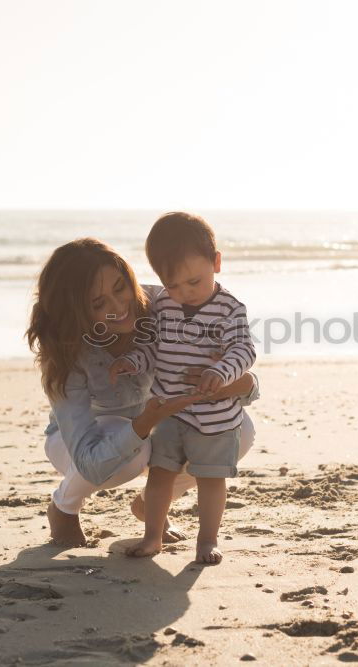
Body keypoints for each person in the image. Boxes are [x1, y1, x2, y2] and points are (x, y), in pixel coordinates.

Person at [25, 237, 260, 547]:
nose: (119, 307)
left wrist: (238, 384)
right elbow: (89, 461)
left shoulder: (167, 302)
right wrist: (144, 423)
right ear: (76, 312)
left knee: (239, 430)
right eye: (98, 304)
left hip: (160, 425)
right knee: (133, 448)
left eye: (120, 288)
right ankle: (64, 507)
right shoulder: (68, 351)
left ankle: (151, 503)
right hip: (81, 442)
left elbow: (242, 367)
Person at [110, 212, 255, 564]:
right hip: (170, 409)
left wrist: (221, 372)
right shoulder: (163, 304)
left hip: (216, 415)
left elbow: (244, 350)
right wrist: (133, 362)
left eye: (194, 281)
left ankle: (207, 540)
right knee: (161, 474)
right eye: (173, 285)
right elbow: (150, 347)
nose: (185, 293)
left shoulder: (230, 308)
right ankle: (152, 537)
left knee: (210, 479)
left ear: (216, 263)